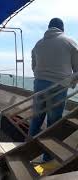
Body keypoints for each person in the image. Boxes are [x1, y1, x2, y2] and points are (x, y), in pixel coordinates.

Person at [30, 18, 78, 161]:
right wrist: (72, 82)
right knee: (53, 123)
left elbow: (34, 66)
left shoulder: (38, 44)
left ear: (49, 28)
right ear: (62, 28)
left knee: (36, 119)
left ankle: (28, 154)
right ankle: (47, 158)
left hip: (39, 85)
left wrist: (40, 77)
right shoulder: (70, 42)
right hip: (58, 87)